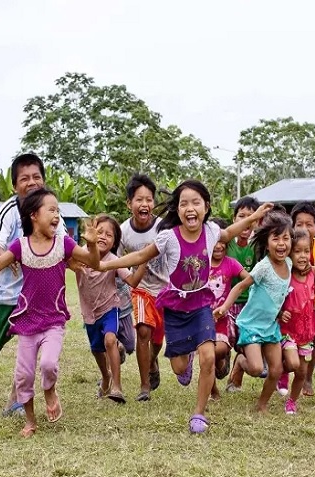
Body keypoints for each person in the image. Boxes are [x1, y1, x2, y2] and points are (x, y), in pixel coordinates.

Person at [99, 180, 272, 433]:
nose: (190, 208)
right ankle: (186, 357)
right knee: (179, 367)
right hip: (176, 307)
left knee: (209, 356)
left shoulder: (212, 232)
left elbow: (231, 231)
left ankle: (199, 414)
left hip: (202, 303)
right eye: (184, 203)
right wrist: (105, 265)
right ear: (178, 210)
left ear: (206, 207)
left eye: (196, 202)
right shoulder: (169, 237)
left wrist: (254, 217)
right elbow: (139, 256)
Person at [0, 187, 100, 438]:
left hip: (53, 320)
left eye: (58, 210)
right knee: (23, 376)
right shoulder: (20, 246)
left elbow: (94, 262)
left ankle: (50, 391)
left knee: (48, 364)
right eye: (52, 210)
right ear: (34, 215)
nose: (57, 216)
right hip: (27, 321)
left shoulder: (63, 243)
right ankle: (31, 421)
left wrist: (91, 244)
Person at [0, 153, 66, 417]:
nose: (31, 182)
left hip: (34, 297)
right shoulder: (8, 212)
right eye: (25, 179)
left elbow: (65, 246)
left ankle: (16, 400)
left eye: (36, 177)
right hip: (2, 293)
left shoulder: (52, 212)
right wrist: (8, 259)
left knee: (30, 350)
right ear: (15, 186)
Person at [214, 211, 293, 414]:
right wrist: (224, 307)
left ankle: (262, 405)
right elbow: (240, 287)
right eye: (276, 239)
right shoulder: (263, 267)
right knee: (257, 369)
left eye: (286, 238)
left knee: (276, 370)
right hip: (251, 325)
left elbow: (282, 293)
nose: (282, 243)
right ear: (267, 244)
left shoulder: (290, 264)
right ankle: (240, 362)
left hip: (270, 326)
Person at [72, 214, 146, 404]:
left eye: (109, 235)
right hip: (89, 313)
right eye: (100, 232)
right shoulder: (79, 254)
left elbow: (133, 281)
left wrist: (143, 262)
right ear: (91, 233)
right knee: (96, 349)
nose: (104, 237)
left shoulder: (114, 260)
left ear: (114, 243)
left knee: (111, 340)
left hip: (110, 308)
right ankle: (106, 377)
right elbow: (63, 261)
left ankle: (117, 387)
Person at [117, 174, 169, 402]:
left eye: (149, 199)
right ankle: (144, 385)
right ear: (129, 204)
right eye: (139, 200)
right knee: (144, 332)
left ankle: (153, 361)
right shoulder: (123, 231)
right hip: (141, 289)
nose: (144, 204)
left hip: (166, 289)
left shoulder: (163, 228)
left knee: (158, 339)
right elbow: (114, 258)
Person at [278, 201, 315, 397]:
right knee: (287, 342)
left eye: (309, 224)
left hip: (313, 307)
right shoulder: (287, 247)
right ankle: (283, 372)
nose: (304, 228)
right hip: (290, 307)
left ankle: (307, 376)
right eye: (299, 224)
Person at [206, 217, 248, 400]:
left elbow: (248, 279)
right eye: (214, 242)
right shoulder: (200, 263)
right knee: (207, 354)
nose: (218, 246)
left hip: (222, 318)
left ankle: (222, 361)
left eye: (223, 241)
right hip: (202, 318)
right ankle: (212, 390)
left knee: (220, 350)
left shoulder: (231, 264)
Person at [224, 196, 260, 393]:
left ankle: (237, 372)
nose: (246, 221)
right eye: (242, 216)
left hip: (250, 304)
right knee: (225, 342)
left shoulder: (258, 246)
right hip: (226, 303)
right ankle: (224, 366)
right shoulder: (227, 242)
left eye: (251, 217)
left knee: (243, 346)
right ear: (234, 219)